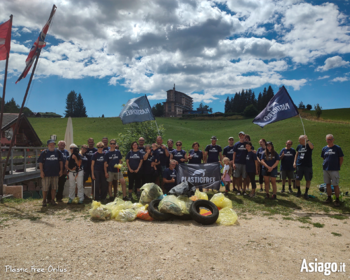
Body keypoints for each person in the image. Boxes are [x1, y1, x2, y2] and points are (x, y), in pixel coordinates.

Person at [37, 140, 63, 206]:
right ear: (48, 145)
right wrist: (41, 172)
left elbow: (61, 162)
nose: (52, 146)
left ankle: (52, 200)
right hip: (46, 173)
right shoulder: (44, 152)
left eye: (53, 144)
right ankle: (44, 200)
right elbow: (40, 163)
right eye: (50, 145)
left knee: (54, 187)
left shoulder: (58, 152)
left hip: (55, 173)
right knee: (45, 188)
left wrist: (61, 170)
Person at [321, 134, 344, 207]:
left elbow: (341, 158)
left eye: (330, 139)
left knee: (335, 185)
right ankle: (329, 198)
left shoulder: (337, 148)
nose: (329, 141)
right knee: (327, 184)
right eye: (328, 139)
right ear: (326, 140)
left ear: (333, 140)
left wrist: (338, 166)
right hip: (326, 169)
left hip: (334, 170)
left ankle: (337, 200)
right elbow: (323, 157)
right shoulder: (324, 148)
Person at [293, 135, 314, 199]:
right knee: (297, 179)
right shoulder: (299, 146)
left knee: (308, 179)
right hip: (299, 165)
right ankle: (299, 191)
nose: (298, 141)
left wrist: (307, 139)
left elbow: (312, 147)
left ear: (303, 140)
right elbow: (296, 154)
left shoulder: (308, 145)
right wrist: (294, 162)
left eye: (299, 140)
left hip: (307, 166)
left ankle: (306, 193)